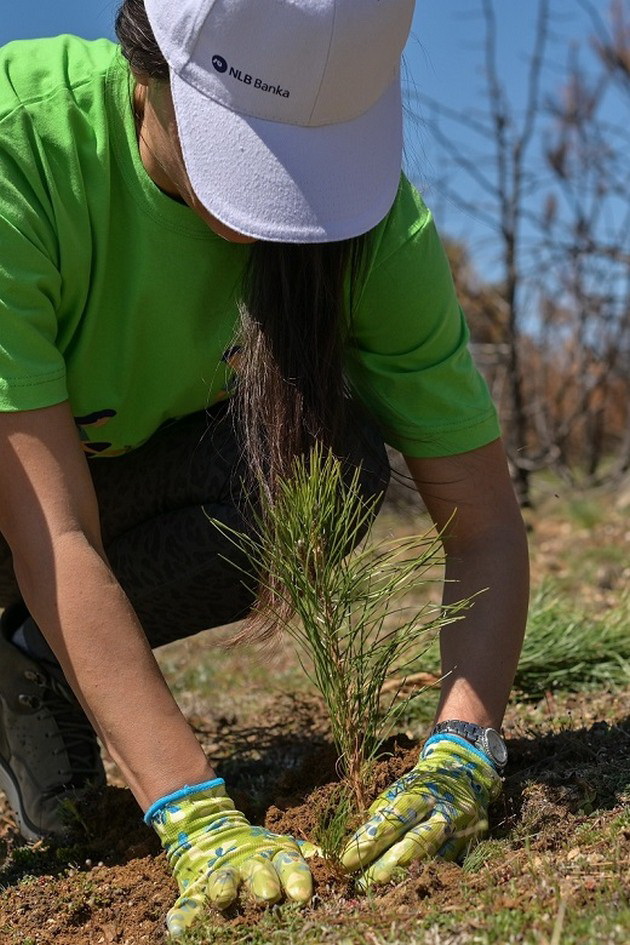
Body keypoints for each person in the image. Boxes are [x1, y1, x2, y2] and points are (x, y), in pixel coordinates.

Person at [0, 0, 529, 937]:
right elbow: (54, 528)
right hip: (31, 500)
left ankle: (30, 667)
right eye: (238, 147)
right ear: (149, 68)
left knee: (331, 461)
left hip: (95, 483)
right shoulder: (23, 152)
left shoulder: (371, 227)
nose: (279, 208)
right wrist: (193, 811)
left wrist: (466, 744)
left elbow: (482, 522)